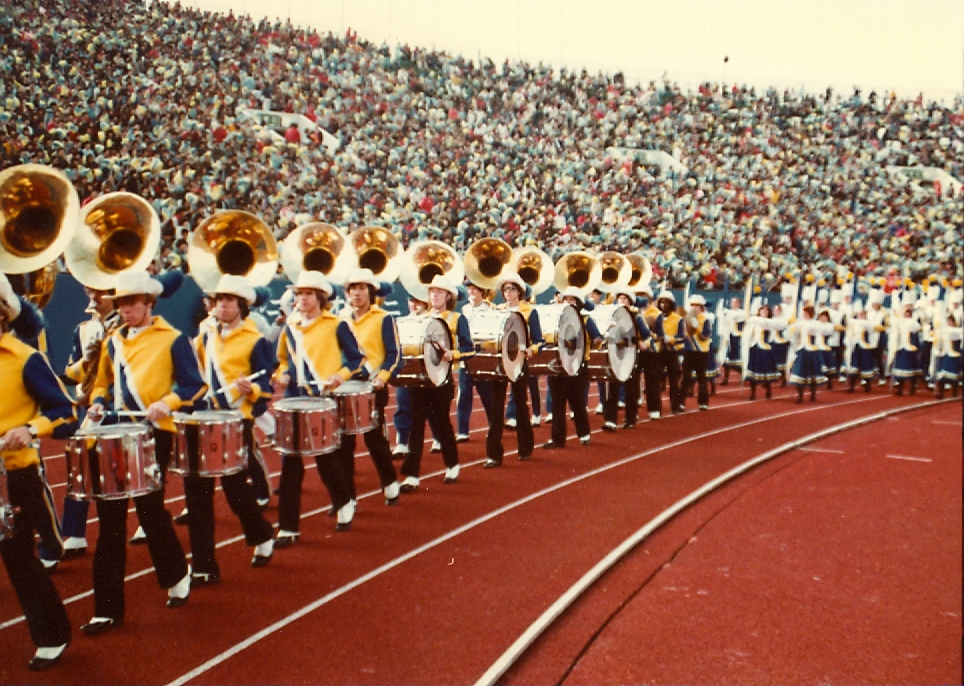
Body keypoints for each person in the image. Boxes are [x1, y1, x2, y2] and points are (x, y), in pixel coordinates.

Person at [84, 270, 205, 634]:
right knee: (109, 522)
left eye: (132, 303)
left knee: (150, 512)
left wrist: (168, 402)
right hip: (114, 433)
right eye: (120, 303)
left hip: (153, 433)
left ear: (149, 304)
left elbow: (193, 385)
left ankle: (175, 573)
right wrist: (98, 403)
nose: (125, 309)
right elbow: (101, 384)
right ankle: (106, 609)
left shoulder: (172, 339)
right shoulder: (112, 341)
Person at [0, 284, 75, 670]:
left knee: (19, 561)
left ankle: (51, 635)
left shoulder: (25, 359)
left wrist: (30, 429)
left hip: (13, 478)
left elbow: (65, 412)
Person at [187, 274, 276, 583]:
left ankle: (262, 533)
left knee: (235, 490)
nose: (220, 305)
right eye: (218, 299)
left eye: (227, 300)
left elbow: (266, 387)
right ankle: (203, 565)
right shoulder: (205, 334)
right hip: (204, 419)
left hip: (236, 420)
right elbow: (193, 371)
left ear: (241, 305)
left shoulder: (255, 340)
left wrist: (251, 387)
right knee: (197, 495)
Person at [274, 270, 365, 545]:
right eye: (299, 293)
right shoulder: (290, 328)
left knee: (326, 459)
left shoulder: (335, 325)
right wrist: (282, 374)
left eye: (307, 294)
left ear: (320, 298)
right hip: (294, 401)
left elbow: (356, 359)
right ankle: (288, 527)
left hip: (323, 400)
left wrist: (340, 375)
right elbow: (281, 360)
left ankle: (344, 501)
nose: (301, 298)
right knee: (290, 465)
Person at [58, 285, 121, 560]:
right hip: (90, 409)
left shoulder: (127, 327)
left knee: (125, 470)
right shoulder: (83, 329)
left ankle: (144, 522)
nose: (94, 298)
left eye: (101, 292)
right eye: (90, 291)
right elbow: (71, 372)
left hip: (120, 409)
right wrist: (86, 361)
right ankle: (75, 533)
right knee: (79, 468)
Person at [334, 268, 402, 507]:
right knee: (343, 444)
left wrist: (382, 377)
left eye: (362, 288)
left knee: (374, 440)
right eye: (352, 289)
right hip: (344, 387)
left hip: (372, 386)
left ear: (371, 292)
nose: (357, 294)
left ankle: (390, 482)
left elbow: (394, 353)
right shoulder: (339, 319)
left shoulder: (383, 317)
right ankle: (348, 498)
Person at [399, 275, 475, 490]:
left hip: (442, 380)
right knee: (416, 427)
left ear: (448, 296)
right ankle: (412, 475)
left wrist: (455, 354)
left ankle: (452, 463)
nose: (434, 295)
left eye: (439, 292)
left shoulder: (457, 318)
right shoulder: (419, 317)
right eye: (432, 291)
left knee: (442, 425)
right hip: (420, 379)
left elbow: (470, 349)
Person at [483, 273, 541, 468]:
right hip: (500, 363)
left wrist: (532, 349)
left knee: (520, 405)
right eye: (506, 289)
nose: (508, 293)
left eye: (512, 289)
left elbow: (538, 340)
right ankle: (494, 454)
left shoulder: (529, 311)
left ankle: (525, 448)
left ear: (519, 292)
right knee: (496, 408)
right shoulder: (497, 311)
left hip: (518, 362)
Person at [544, 287, 600, 449]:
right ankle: (557, 439)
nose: (568, 302)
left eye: (572, 300)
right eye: (566, 299)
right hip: (559, 365)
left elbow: (597, 338)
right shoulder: (556, 319)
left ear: (578, 303)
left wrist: (583, 342)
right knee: (557, 404)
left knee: (577, 403)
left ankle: (584, 434)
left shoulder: (586, 320)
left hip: (578, 365)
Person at [602, 286, 651, 429]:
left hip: (631, 354)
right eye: (620, 298)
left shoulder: (636, 316)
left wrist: (645, 344)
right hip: (615, 354)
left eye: (625, 298)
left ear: (630, 302)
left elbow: (648, 335)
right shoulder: (611, 316)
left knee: (631, 388)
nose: (622, 301)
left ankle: (630, 418)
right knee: (613, 387)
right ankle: (610, 420)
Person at [457, 281, 494, 442]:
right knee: (464, 395)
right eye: (469, 288)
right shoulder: (464, 309)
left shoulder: (489, 309)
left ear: (482, 291)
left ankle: (494, 426)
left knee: (487, 396)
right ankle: (462, 431)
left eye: (474, 288)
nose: (471, 291)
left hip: (481, 358)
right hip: (466, 358)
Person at [786, 303, 836, 403]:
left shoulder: (816, 324)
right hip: (802, 350)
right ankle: (800, 396)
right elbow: (790, 334)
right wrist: (792, 328)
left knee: (813, 374)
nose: (804, 314)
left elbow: (825, 331)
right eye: (804, 313)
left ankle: (813, 394)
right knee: (800, 373)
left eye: (806, 313)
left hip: (812, 351)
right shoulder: (799, 323)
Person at [651, 291, 685, 414]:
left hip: (671, 352)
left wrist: (669, 339)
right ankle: (656, 407)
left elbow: (682, 336)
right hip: (658, 352)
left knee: (674, 380)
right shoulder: (655, 317)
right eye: (661, 302)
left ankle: (675, 405)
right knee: (656, 381)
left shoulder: (678, 319)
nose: (663, 304)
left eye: (666, 302)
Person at [742, 303, 784, 400]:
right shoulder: (754, 322)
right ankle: (752, 394)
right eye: (762, 310)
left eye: (766, 311)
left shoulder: (770, 322)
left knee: (765, 372)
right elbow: (748, 334)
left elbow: (770, 327)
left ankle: (768, 390)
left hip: (765, 350)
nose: (764, 312)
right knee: (753, 373)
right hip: (755, 348)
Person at [679, 294, 713, 411]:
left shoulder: (706, 319)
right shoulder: (685, 318)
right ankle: (680, 402)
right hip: (689, 351)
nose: (694, 308)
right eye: (692, 305)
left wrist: (696, 327)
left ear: (701, 307)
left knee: (701, 378)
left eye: (697, 306)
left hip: (701, 352)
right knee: (685, 378)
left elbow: (705, 335)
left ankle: (703, 402)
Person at [890, 301, 922, 396]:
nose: (907, 316)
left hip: (911, 348)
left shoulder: (914, 324)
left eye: (908, 314)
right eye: (905, 314)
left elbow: (917, 333)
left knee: (911, 369)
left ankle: (912, 387)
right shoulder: (900, 323)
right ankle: (900, 388)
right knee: (900, 369)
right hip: (901, 348)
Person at [719, 297, 746, 385]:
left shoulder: (742, 313)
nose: (733, 304)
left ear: (739, 304)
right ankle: (725, 379)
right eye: (732, 302)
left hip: (737, 337)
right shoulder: (728, 312)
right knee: (727, 359)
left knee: (736, 359)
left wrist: (727, 313)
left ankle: (743, 375)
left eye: (735, 302)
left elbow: (738, 318)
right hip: (728, 337)